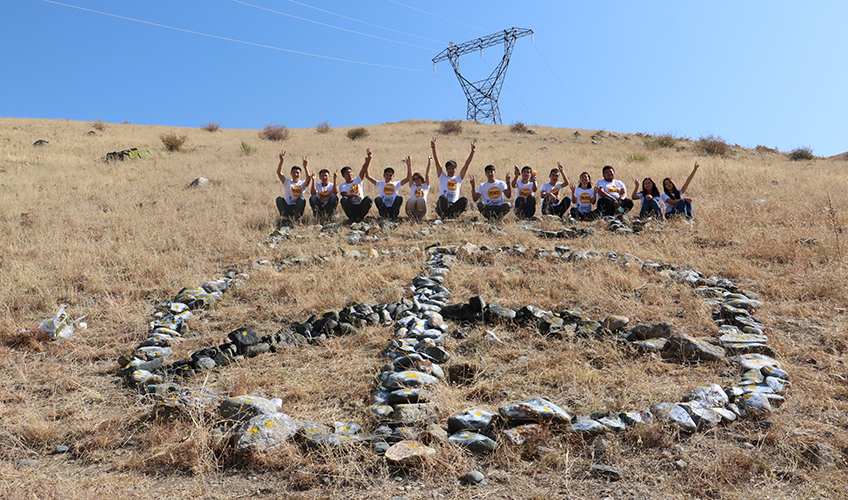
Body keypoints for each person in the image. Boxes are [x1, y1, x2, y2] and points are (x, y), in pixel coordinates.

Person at [431, 137, 475, 219]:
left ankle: (450, 216)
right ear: (446, 169)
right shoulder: (442, 177)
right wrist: (433, 148)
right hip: (443, 206)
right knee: (443, 197)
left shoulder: (458, 178)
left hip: (453, 206)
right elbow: (437, 162)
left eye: (453, 168)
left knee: (464, 200)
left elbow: (466, 165)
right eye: (449, 168)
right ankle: (445, 215)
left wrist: (472, 153)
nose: (451, 170)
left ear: (456, 169)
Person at [338, 149, 373, 223]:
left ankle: (361, 216)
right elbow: (344, 194)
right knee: (344, 200)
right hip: (352, 206)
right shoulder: (343, 185)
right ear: (343, 175)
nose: (349, 174)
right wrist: (354, 195)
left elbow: (363, 169)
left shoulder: (357, 180)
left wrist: (369, 159)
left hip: (360, 204)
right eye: (347, 173)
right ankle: (352, 217)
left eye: (350, 172)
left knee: (368, 199)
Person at [275, 150, 312, 221]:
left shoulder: (302, 184)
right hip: (288, 206)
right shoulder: (287, 182)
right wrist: (281, 161)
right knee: (279, 198)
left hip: (297, 207)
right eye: (294, 172)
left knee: (302, 199)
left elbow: (308, 178)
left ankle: (296, 218)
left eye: (297, 173)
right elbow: (279, 173)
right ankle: (285, 218)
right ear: (291, 173)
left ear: (300, 174)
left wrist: (305, 167)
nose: (295, 174)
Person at [405, 155, 431, 221]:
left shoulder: (425, 187)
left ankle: (420, 217)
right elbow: (410, 175)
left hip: (422, 209)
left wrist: (429, 163)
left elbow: (427, 174)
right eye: (415, 179)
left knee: (420, 199)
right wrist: (409, 163)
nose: (417, 180)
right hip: (413, 208)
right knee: (411, 200)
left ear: (421, 178)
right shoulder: (413, 187)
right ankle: (411, 216)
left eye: (418, 178)